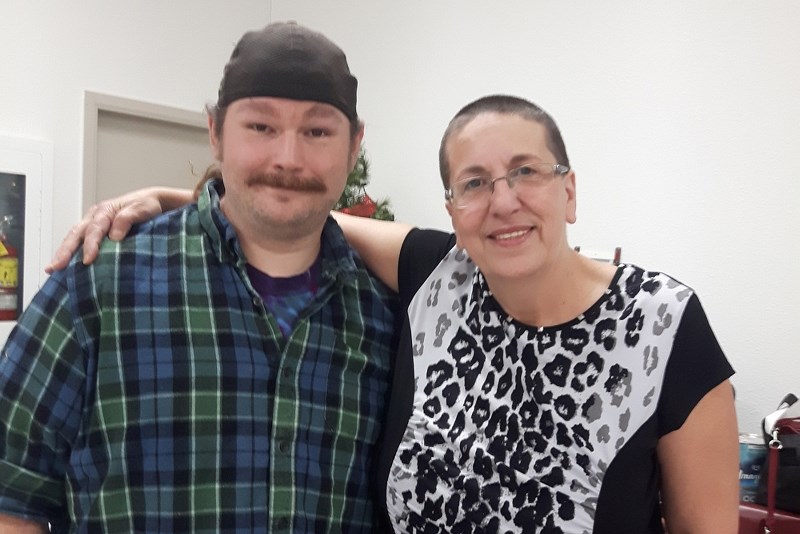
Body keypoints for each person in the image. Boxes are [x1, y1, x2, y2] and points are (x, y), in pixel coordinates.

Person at [47, 95, 740, 533]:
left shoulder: (661, 323)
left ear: (570, 190)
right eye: (474, 183)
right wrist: (172, 198)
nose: (503, 201)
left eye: (526, 171)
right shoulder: (436, 276)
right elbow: (307, 213)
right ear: (452, 211)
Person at [0, 22, 399, 533]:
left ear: (354, 146)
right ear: (214, 132)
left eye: (318, 132)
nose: (288, 158)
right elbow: (13, 495)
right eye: (261, 127)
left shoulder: (385, 317)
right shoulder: (97, 285)